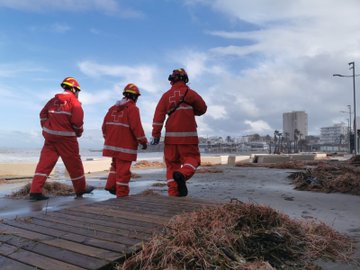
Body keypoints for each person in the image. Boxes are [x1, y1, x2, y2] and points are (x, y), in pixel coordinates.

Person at [29, 77, 94, 201]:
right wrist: (79, 133)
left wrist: (46, 128)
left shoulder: (52, 100)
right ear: (74, 89)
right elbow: (77, 122)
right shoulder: (74, 102)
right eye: (77, 91)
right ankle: (80, 189)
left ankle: (35, 191)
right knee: (74, 165)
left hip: (50, 138)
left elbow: (42, 114)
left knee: (44, 164)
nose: (78, 94)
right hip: (67, 139)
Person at [151, 68, 207, 197]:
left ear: (171, 80)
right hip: (188, 138)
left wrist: (156, 135)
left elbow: (158, 117)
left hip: (170, 139)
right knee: (192, 160)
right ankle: (183, 174)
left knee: (171, 165)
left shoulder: (165, 96)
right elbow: (203, 108)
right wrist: (192, 110)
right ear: (185, 79)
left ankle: (173, 193)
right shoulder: (190, 93)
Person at [102, 83, 148, 197]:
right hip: (125, 147)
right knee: (123, 172)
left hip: (111, 145)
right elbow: (136, 127)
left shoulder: (112, 109)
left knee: (115, 166)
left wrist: (108, 139)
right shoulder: (132, 109)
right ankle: (121, 195)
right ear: (135, 97)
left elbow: (104, 127)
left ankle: (111, 186)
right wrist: (143, 141)